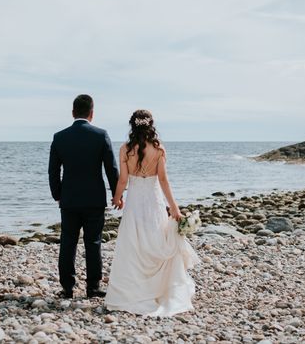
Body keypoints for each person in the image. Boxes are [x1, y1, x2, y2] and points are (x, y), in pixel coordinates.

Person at [105, 109, 199, 316]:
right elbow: (164, 180)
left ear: (132, 125)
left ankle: (132, 291)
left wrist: (117, 198)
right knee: (155, 239)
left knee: (133, 243)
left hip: (135, 203)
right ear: (151, 125)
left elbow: (123, 180)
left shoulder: (125, 149)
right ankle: (159, 290)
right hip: (154, 201)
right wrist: (174, 207)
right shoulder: (158, 149)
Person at [48, 94, 120, 299]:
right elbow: (111, 169)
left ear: (73, 113)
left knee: (68, 242)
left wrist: (58, 195)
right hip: (94, 199)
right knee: (93, 242)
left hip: (69, 199)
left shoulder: (59, 137)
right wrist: (117, 194)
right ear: (92, 113)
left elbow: (53, 171)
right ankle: (93, 287)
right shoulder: (100, 135)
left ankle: (67, 288)